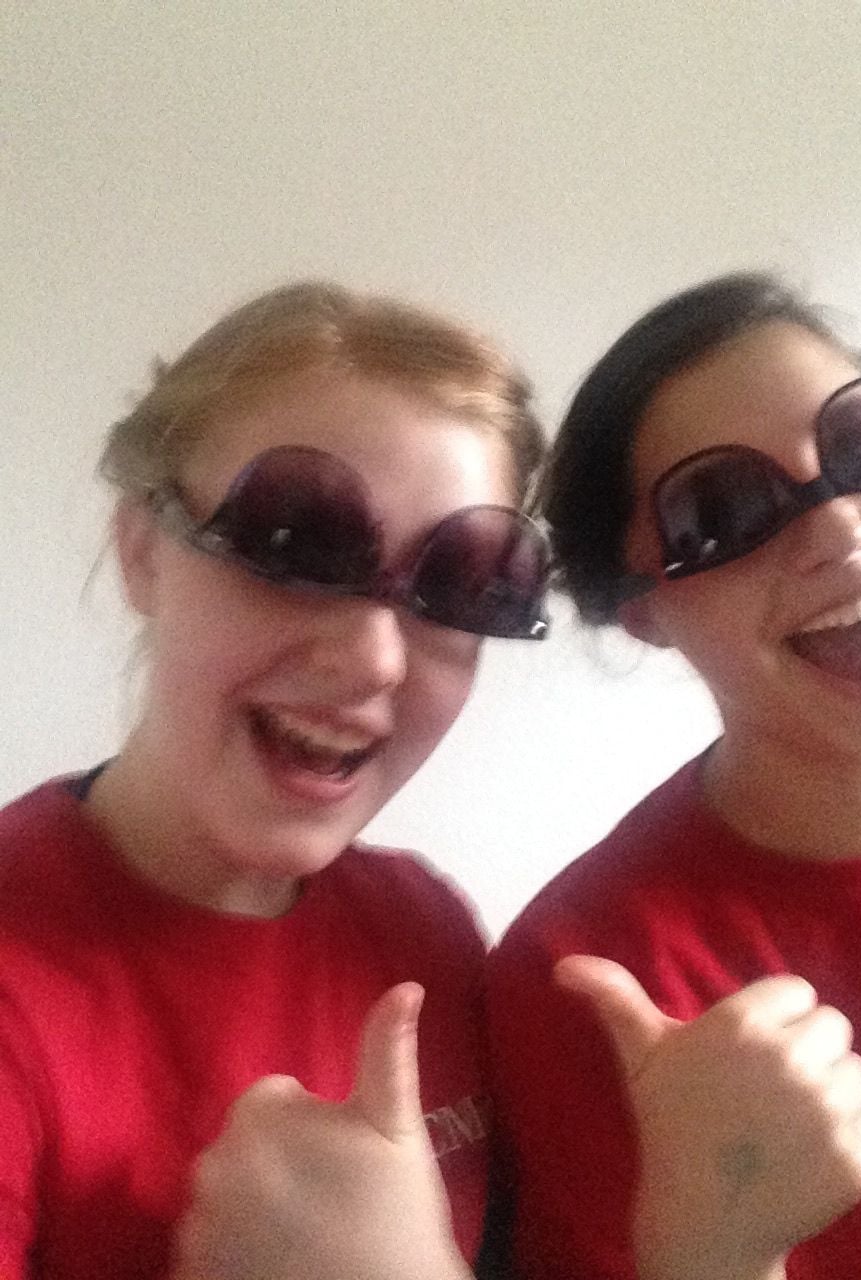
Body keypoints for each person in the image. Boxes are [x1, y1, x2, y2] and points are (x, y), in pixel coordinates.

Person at [0, 279, 551, 1279]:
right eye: (297, 546)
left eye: (462, 584)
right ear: (142, 549)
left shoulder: (423, 929)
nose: (376, 658)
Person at [485, 270, 861, 1280]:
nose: (840, 526)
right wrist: (720, 1251)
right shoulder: (591, 978)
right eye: (726, 508)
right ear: (644, 612)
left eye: (860, 446)